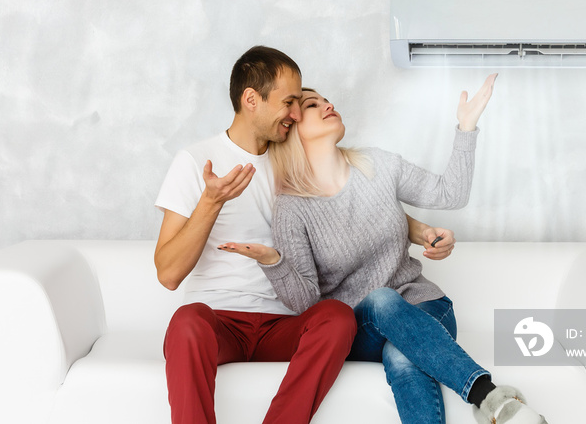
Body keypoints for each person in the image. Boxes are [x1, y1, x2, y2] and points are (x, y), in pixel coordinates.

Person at [154, 45, 458, 424]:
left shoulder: (295, 161)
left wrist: (419, 230)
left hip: (286, 323)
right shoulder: (196, 161)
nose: (296, 114)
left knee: (337, 317)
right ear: (252, 99)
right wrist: (210, 202)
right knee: (186, 321)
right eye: (289, 102)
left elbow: (360, 208)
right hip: (219, 321)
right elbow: (167, 273)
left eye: (301, 104)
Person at [222, 76, 549, 424]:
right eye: (312, 105)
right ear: (292, 130)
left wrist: (466, 127)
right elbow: (305, 302)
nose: (328, 105)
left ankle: (498, 406)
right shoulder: (291, 208)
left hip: (424, 308)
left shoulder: (377, 164)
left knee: (403, 355)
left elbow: (449, 194)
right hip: (361, 329)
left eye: (326, 99)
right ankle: (488, 396)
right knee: (380, 299)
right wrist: (273, 262)